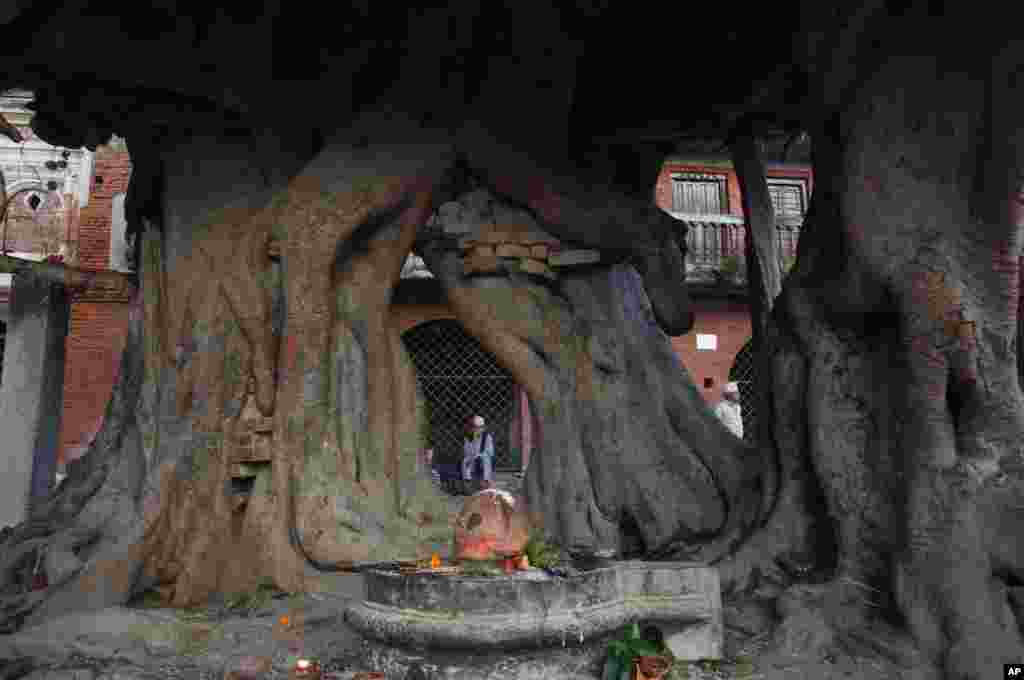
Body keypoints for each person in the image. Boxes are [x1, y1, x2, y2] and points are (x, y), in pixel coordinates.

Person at [461, 414, 495, 493]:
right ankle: (468, 483)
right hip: (472, 459)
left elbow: (490, 452)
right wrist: (472, 456)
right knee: (465, 461)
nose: (478, 429)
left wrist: (480, 455)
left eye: (480, 427)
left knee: (485, 460)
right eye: (476, 427)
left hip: (483, 459)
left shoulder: (487, 437)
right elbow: (466, 451)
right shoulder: (468, 437)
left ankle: (485, 482)